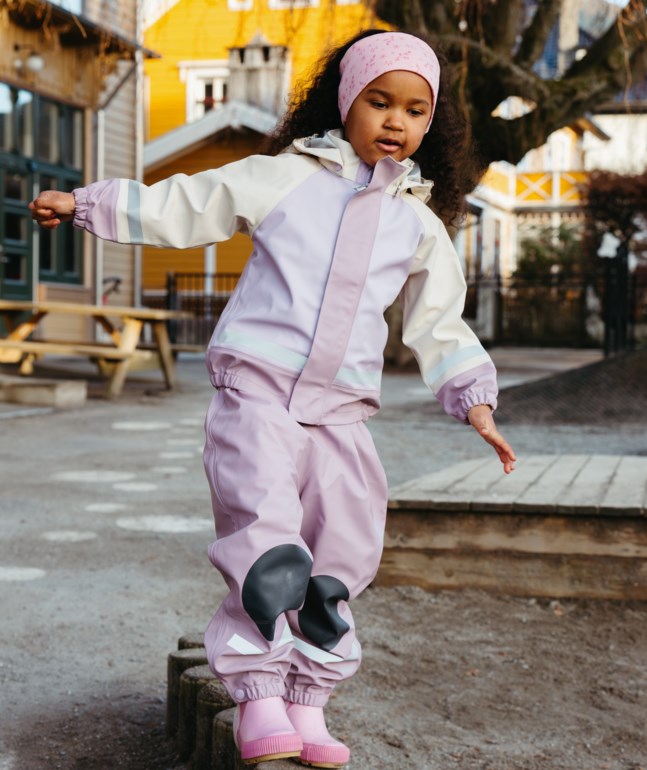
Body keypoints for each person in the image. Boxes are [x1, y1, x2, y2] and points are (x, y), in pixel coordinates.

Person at [29, 29, 516, 769]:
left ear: (431, 122)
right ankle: (258, 694)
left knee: (342, 557)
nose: (394, 120)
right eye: (378, 101)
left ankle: (307, 701)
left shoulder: (417, 223)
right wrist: (88, 205)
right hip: (256, 395)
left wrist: (474, 400)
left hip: (342, 415)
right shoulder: (286, 177)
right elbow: (188, 204)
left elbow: (439, 322)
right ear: (344, 102)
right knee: (268, 543)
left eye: (414, 110)